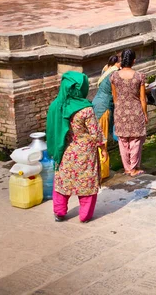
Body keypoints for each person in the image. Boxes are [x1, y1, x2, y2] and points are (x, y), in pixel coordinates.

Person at [46, 71, 106, 223]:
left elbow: (52, 130)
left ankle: (59, 213)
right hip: (85, 153)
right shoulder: (86, 109)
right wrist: (103, 148)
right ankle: (84, 216)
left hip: (64, 150)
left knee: (63, 182)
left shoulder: (56, 106)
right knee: (87, 183)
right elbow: (96, 133)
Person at [110, 49, 148, 177]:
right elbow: (143, 99)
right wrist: (145, 114)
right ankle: (133, 168)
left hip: (120, 110)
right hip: (135, 111)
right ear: (133, 61)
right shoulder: (139, 76)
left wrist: (119, 110)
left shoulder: (114, 76)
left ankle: (127, 168)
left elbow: (115, 97)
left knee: (123, 140)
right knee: (135, 140)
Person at [92, 54, 121, 178]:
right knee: (101, 140)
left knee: (96, 136)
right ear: (119, 63)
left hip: (96, 103)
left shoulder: (106, 69)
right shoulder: (115, 74)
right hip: (104, 108)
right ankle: (100, 170)